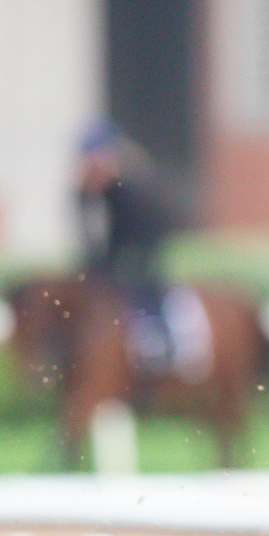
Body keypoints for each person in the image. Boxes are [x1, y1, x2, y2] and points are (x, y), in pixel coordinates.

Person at [76, 119, 181, 372]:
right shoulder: (95, 190)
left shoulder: (135, 185)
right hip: (118, 250)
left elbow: (146, 229)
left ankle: (158, 336)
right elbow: (94, 238)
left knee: (143, 283)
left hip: (144, 247)